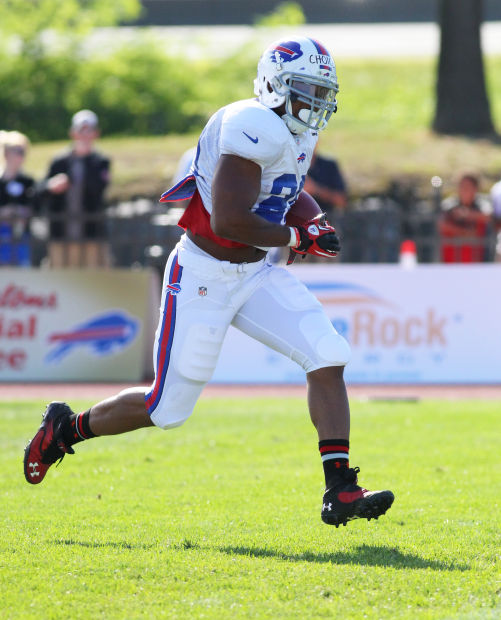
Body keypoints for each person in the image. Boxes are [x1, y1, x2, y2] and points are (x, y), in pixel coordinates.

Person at [24, 37, 394, 528]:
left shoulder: (291, 132)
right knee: (167, 407)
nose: (315, 101)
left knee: (327, 353)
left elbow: (287, 186)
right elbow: (227, 221)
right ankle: (64, 430)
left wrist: (314, 219)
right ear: (274, 86)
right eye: (305, 89)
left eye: (321, 90)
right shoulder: (252, 126)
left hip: (257, 271)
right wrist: (295, 234)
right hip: (204, 274)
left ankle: (340, 489)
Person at [41, 109, 111, 267]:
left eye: (89, 131)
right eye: (81, 130)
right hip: (62, 235)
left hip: (91, 234)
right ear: (73, 133)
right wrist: (51, 185)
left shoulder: (100, 162)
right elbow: (41, 191)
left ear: (95, 134)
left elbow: (98, 190)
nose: (84, 135)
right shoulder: (59, 161)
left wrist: (85, 158)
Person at [0, 130, 36, 266]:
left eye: (23, 152)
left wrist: (23, 212)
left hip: (21, 236)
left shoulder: (28, 181)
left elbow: (35, 206)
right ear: (6, 153)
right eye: (17, 151)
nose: (21, 156)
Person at [438, 173, 492, 263]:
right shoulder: (449, 205)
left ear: (475, 189)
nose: (464, 189)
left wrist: (467, 215)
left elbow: (488, 217)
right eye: (461, 186)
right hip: (452, 260)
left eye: (468, 186)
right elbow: (441, 224)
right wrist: (465, 232)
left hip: (477, 259)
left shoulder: (483, 204)